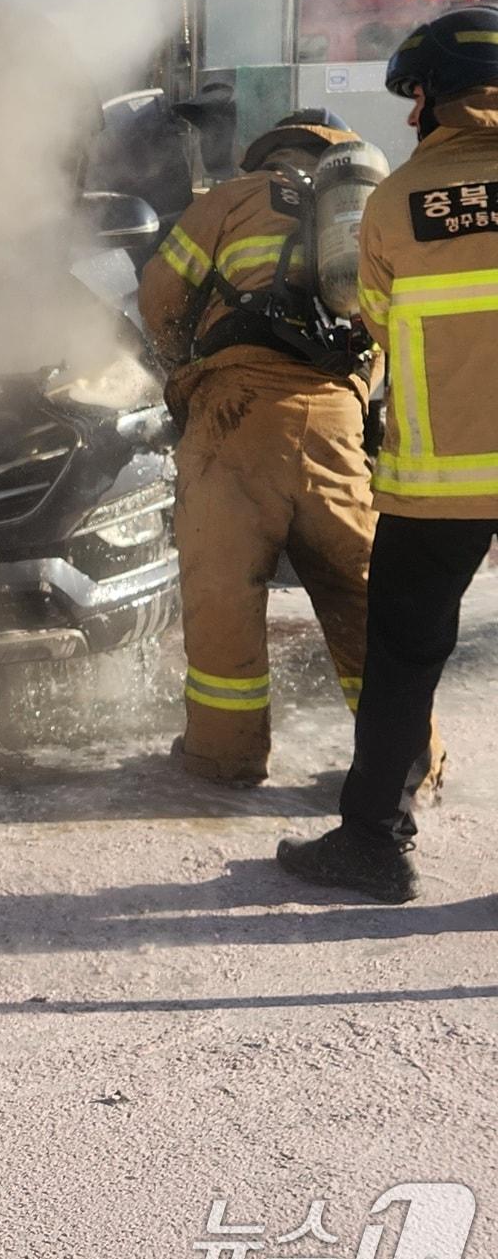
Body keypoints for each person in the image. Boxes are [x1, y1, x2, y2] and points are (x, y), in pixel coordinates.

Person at [278, 9, 498, 902]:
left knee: (403, 659)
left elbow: (373, 316)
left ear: (440, 95)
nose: (410, 115)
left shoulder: (394, 202)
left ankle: (372, 840)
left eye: (416, 97)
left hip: (439, 485)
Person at [140, 109, 417, 786]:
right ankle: (410, 762)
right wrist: (353, 394)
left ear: (273, 151)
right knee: (360, 594)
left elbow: (159, 294)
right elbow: (385, 323)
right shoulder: (367, 209)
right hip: (335, 419)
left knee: (224, 592)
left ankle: (225, 756)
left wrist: (182, 362)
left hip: (234, 416)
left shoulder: (232, 198)